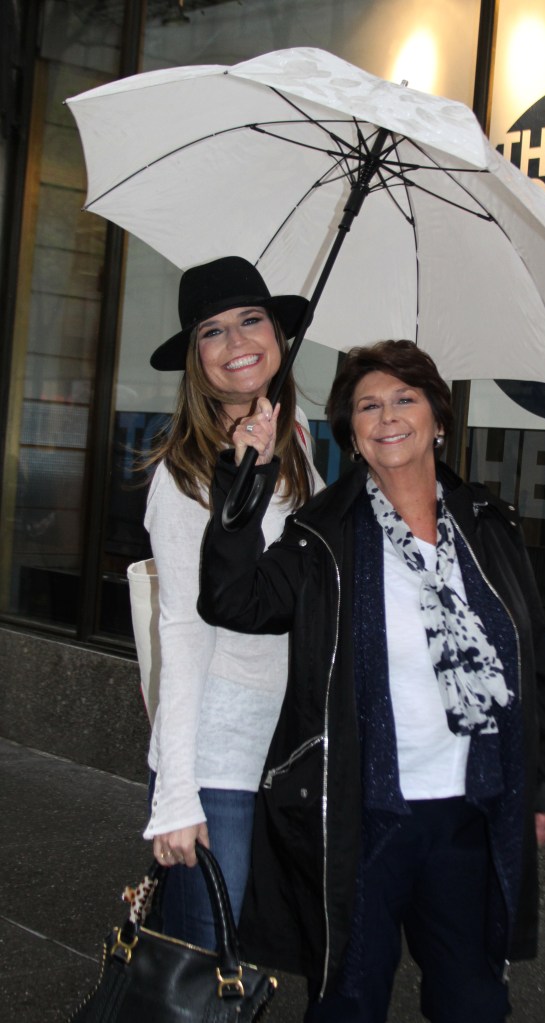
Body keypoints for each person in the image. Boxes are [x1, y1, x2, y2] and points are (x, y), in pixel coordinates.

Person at [198, 340, 545, 1022]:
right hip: (361, 815)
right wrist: (242, 478)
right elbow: (234, 601)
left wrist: (542, 785)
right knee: (348, 1000)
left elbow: (532, 664)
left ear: (437, 420)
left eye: (404, 398)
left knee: (474, 1000)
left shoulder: (488, 526)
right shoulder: (323, 535)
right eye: (368, 405)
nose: (387, 415)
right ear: (352, 434)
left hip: (470, 808)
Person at [141, 255, 322, 949]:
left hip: (280, 748)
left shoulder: (294, 441)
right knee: (201, 961)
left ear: (277, 335)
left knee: (242, 949)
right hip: (217, 755)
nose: (236, 343)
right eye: (211, 332)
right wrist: (177, 793)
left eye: (250, 320)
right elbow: (181, 635)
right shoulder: (185, 476)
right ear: (195, 360)